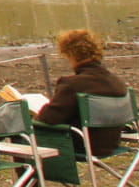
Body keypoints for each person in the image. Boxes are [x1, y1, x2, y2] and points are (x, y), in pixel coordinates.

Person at [35, 29, 130, 157]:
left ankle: (30, 177)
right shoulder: (117, 82)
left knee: (25, 136)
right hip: (112, 143)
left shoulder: (72, 84)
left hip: (82, 145)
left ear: (70, 54)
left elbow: (47, 118)